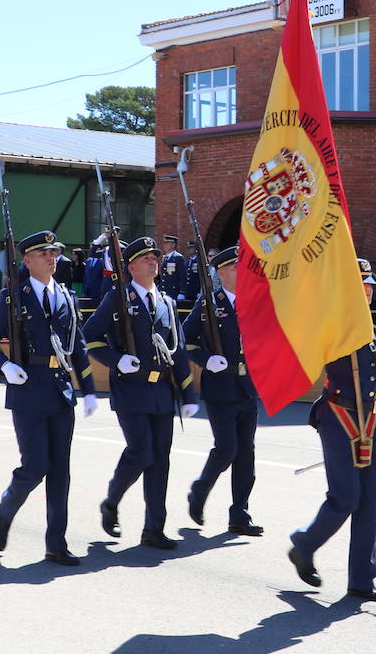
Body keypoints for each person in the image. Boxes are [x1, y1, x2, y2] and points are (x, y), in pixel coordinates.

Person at [0, 231, 99, 566]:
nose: (52, 257)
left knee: (61, 470)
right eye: (44, 253)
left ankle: (56, 544)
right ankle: (6, 508)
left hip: (60, 390)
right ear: (27, 260)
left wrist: (88, 389)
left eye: (55, 253)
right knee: (35, 467)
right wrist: (4, 367)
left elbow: (79, 347)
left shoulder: (66, 296)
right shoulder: (12, 297)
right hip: (28, 389)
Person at [83, 236, 199, 550]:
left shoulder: (167, 302)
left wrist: (188, 396)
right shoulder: (117, 299)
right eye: (145, 258)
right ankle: (112, 499)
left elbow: (178, 352)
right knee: (141, 452)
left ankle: (153, 529)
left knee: (161, 460)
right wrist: (116, 360)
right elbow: (90, 336)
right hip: (131, 390)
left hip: (161, 390)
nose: (153, 261)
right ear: (131, 266)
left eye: (155, 257)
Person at [287, 258, 376, 603]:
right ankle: (304, 544)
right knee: (345, 497)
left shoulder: (373, 332)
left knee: (368, 504)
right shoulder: (333, 329)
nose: (368, 291)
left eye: (370, 286)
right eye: (360, 286)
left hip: (374, 422)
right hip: (339, 419)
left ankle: (362, 578)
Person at [184, 246, 263, 536]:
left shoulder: (254, 303)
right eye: (235, 268)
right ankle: (199, 490)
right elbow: (186, 339)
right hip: (220, 387)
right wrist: (206, 360)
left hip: (246, 387)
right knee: (227, 447)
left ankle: (239, 514)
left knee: (247, 454)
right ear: (221, 272)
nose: (242, 273)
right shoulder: (207, 304)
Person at [157, 234, 187, 303]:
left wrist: (182, 292)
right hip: (164, 291)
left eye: (167, 243)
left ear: (173, 245)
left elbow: (183, 276)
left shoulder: (178, 257)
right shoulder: (165, 258)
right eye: (164, 243)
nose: (164, 245)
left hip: (174, 291)